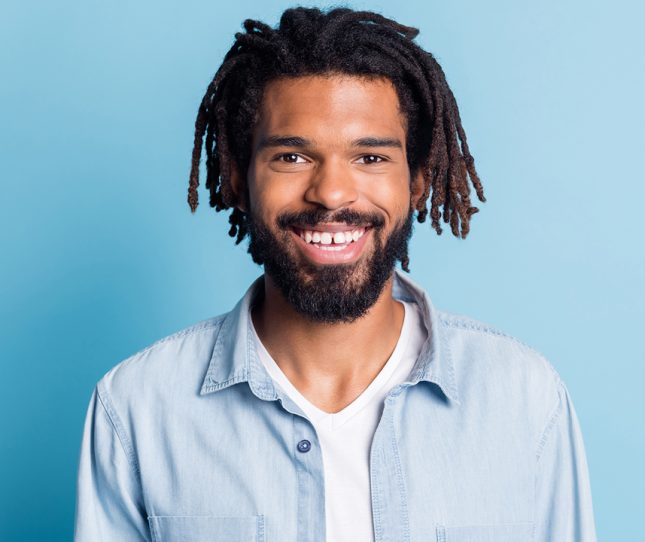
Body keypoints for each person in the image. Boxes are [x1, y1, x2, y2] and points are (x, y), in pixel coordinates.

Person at [74, 7, 597, 542]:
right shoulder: (136, 407)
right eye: (292, 157)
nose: (331, 193)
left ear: (417, 182)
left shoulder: (524, 400)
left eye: (370, 158)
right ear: (237, 178)